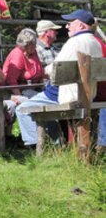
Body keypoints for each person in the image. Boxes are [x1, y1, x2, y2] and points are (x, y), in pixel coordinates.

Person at [15, 9, 104, 149]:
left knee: (22, 108)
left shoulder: (74, 42)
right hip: (88, 95)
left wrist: (45, 70)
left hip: (67, 95)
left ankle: (34, 145)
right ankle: (58, 143)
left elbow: (55, 69)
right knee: (41, 109)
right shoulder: (97, 43)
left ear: (81, 25)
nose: (66, 26)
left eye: (70, 23)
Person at [2, 28, 44, 99]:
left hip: (35, 90)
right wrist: (21, 99)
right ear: (27, 44)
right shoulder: (17, 54)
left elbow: (39, 71)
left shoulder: (33, 52)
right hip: (21, 92)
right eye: (34, 43)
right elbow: (11, 80)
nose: (35, 46)